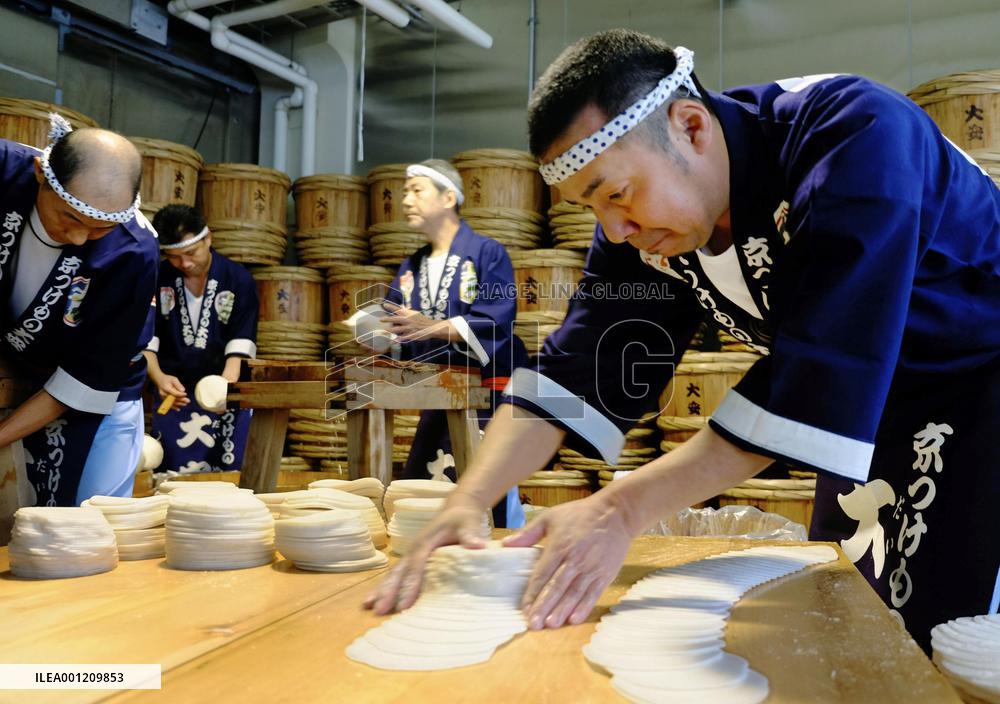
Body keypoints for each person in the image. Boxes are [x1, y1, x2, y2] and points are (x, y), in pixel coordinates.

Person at [366, 30, 1000, 650]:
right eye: (592, 208)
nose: (614, 230)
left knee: (936, 640)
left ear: (690, 127)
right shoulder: (646, 226)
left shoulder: (853, 135)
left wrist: (619, 511)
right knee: (848, 619)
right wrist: (469, 499)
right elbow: (576, 372)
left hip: (978, 388)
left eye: (616, 194)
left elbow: (818, 374)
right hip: (869, 414)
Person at [0, 115, 159, 506]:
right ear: (41, 173)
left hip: (96, 391)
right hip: (14, 370)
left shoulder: (134, 252)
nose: (78, 237)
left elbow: (88, 375)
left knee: (90, 522)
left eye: (99, 229)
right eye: (69, 216)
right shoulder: (5, 171)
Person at [372, 158, 529, 528]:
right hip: (438, 393)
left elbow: (497, 319)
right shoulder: (411, 266)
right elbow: (397, 325)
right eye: (404, 192)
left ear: (448, 198)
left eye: (416, 190)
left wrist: (431, 327)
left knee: (486, 489)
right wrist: (380, 337)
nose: (406, 200)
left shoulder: (487, 252)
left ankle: (496, 548)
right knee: (423, 485)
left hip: (485, 391)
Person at [145, 204, 258, 474]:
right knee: (172, 479)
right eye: (174, 257)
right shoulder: (159, 277)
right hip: (175, 394)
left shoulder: (238, 279)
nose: (184, 263)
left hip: (225, 392)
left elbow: (241, 343)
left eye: (191, 253)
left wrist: (225, 389)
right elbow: (146, 337)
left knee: (227, 477)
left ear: (208, 238)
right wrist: (158, 377)